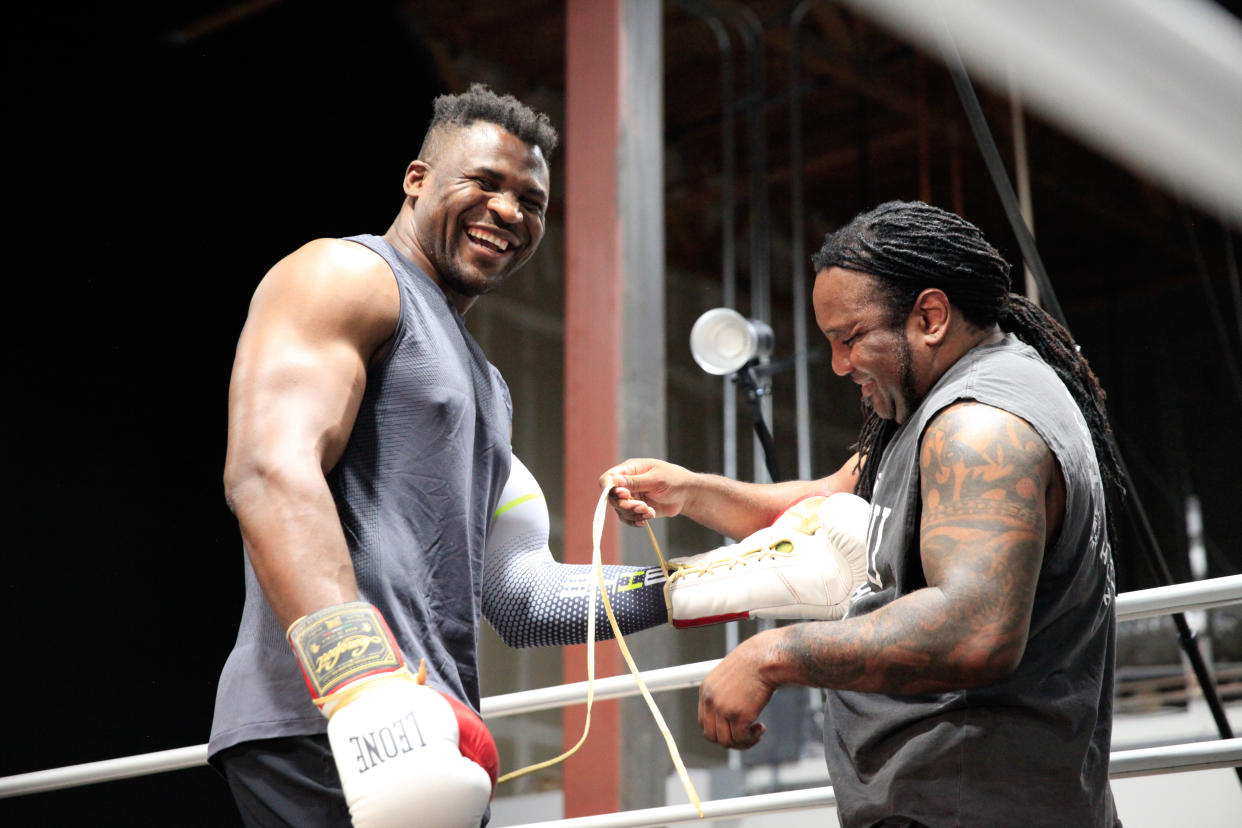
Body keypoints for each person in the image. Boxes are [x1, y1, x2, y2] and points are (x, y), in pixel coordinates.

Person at [210, 84, 671, 828]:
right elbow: (268, 472)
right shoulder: (346, 277)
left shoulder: (488, 387)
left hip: (436, 736)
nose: (510, 212)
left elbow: (523, 598)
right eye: (484, 183)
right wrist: (362, 686)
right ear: (417, 180)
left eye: (532, 201)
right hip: (329, 718)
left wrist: (694, 587)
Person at [603, 200, 1123, 827]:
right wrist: (691, 492)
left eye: (850, 339)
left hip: (974, 808)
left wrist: (771, 654)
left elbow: (976, 626)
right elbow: (824, 501)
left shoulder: (980, 426)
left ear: (930, 316)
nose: (839, 365)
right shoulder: (931, 411)